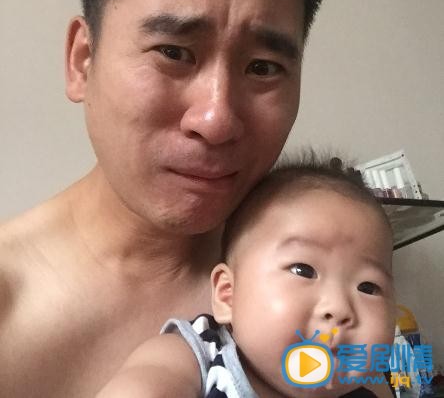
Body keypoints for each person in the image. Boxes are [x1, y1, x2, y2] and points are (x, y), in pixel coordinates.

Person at [0, 0, 349, 396]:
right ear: (82, 60)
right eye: (174, 53)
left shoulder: (319, 297)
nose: (216, 120)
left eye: (263, 67)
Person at [97, 157, 396, 398]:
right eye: (303, 270)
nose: (339, 308)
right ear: (228, 294)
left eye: (368, 287)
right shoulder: (198, 355)